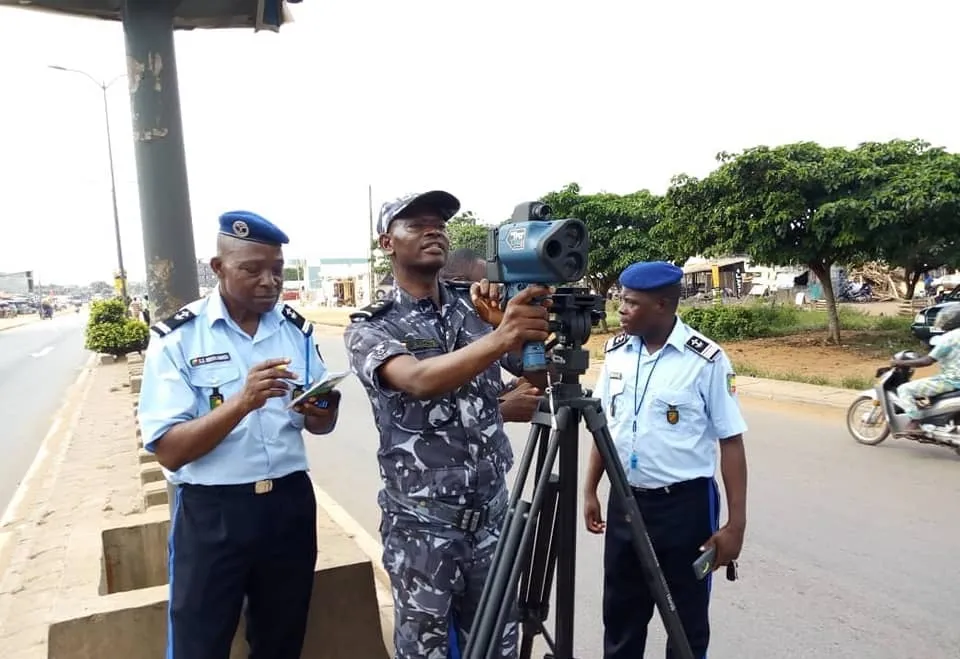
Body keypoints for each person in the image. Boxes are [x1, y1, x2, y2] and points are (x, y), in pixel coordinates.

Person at [344, 190, 551, 659]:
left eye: (438, 223)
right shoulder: (370, 326)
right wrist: (502, 338)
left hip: (492, 523)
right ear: (387, 242)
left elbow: (539, 378)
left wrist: (531, 334)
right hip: (423, 530)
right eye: (415, 224)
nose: (433, 230)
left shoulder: (474, 307)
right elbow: (416, 380)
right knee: (427, 653)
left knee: (499, 646)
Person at [137, 210, 342, 659]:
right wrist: (242, 402)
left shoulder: (295, 331)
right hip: (214, 513)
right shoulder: (178, 339)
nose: (269, 281)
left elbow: (321, 423)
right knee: (199, 642)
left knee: (281, 641)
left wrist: (323, 406)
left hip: (288, 507)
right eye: (252, 269)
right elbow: (169, 451)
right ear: (218, 268)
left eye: (277, 270)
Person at [583, 261, 749, 659]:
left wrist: (736, 524)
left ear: (662, 304)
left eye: (630, 302)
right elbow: (606, 424)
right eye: (621, 300)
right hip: (626, 502)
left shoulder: (706, 360)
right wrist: (590, 488)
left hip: (684, 508)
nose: (620, 309)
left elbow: (731, 441)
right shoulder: (617, 353)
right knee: (621, 615)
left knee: (686, 623)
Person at [892, 304, 960, 433]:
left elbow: (927, 361)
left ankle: (915, 421)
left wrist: (900, 362)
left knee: (904, 389)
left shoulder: (949, 338)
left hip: (951, 381)